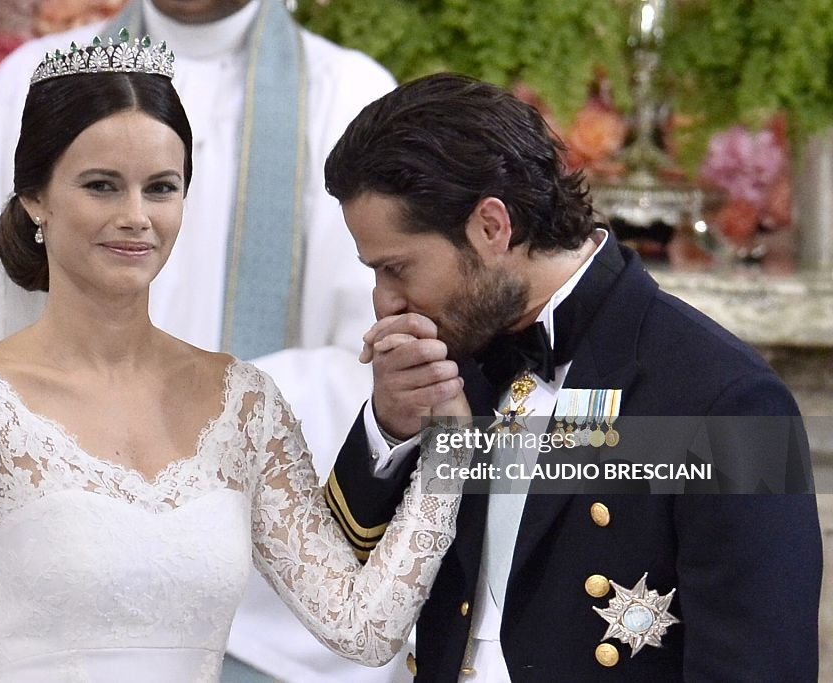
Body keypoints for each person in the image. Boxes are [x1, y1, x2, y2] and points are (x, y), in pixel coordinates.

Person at [0, 37, 467, 682]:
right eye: (101, 187)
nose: (136, 217)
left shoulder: (242, 404)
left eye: (160, 188)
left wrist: (450, 445)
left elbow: (363, 627)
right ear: (35, 200)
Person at [320, 73, 822, 682]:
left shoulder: (727, 401)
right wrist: (392, 426)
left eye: (397, 268)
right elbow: (336, 585)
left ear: (491, 227)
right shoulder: (457, 360)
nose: (385, 302)